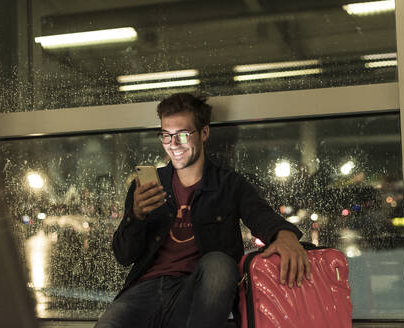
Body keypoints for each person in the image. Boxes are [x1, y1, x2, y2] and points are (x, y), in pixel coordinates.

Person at [96, 93, 310, 328]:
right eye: (166, 135)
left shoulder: (229, 185)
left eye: (182, 135)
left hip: (196, 291)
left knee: (219, 264)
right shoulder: (147, 186)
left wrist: (287, 237)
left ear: (204, 133)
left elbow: (263, 217)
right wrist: (135, 216)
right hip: (146, 290)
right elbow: (124, 256)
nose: (173, 144)